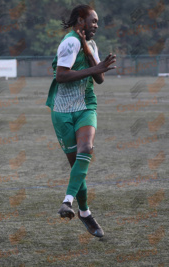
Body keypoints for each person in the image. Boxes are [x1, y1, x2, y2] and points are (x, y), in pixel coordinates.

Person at [46, 5, 116, 238]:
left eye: (97, 21)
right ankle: (85, 212)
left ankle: (67, 201)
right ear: (80, 20)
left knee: (87, 148)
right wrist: (93, 65)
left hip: (86, 105)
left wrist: (90, 54)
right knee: (77, 164)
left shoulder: (90, 44)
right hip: (62, 111)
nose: (96, 25)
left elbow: (100, 78)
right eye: (92, 21)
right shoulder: (69, 42)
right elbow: (62, 76)